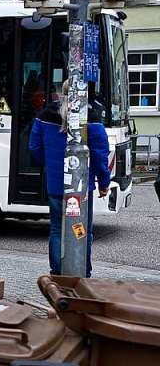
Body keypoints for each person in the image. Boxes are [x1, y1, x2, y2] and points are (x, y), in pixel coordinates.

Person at [29, 98, 111, 276]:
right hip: (81, 187)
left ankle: (58, 272)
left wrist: (50, 167)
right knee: (83, 230)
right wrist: (104, 183)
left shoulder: (44, 116)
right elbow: (100, 154)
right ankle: (82, 271)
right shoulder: (91, 117)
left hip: (56, 185)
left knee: (57, 229)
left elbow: (34, 147)